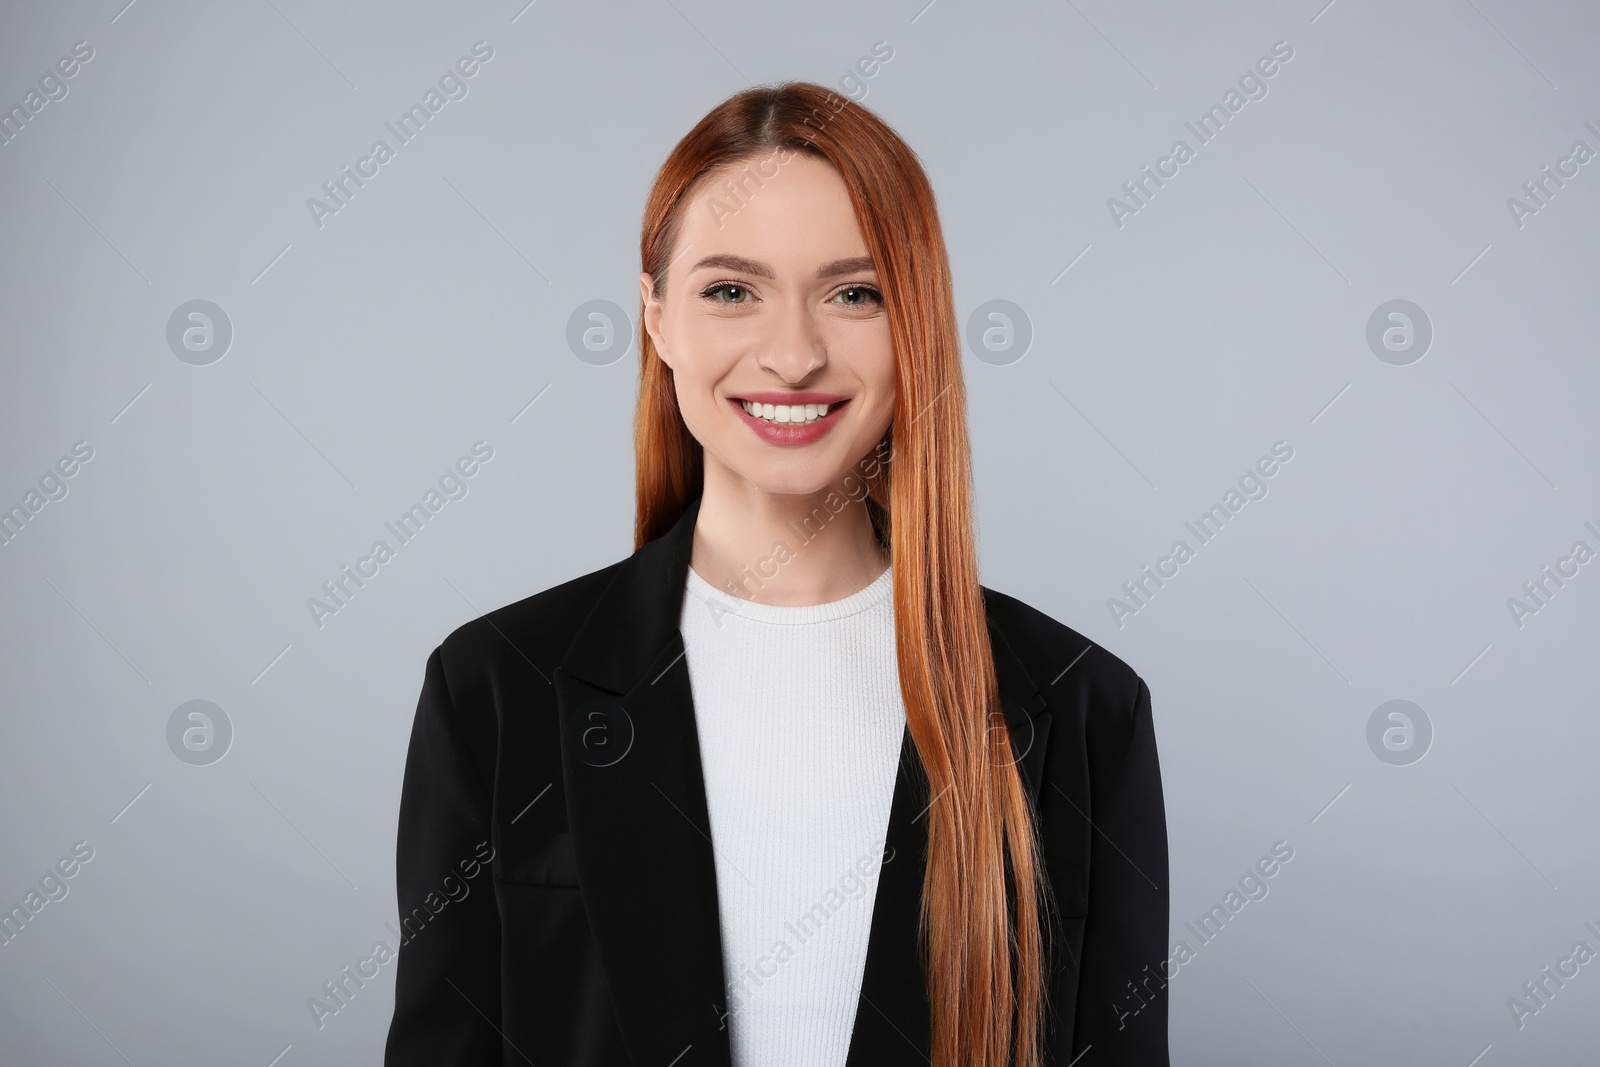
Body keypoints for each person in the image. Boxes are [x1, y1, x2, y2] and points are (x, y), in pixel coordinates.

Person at [384, 81, 1168, 1067]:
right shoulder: (494, 688)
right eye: (730, 289)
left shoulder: (1082, 708)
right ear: (657, 317)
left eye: (854, 292)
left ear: (914, 323)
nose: (793, 353)